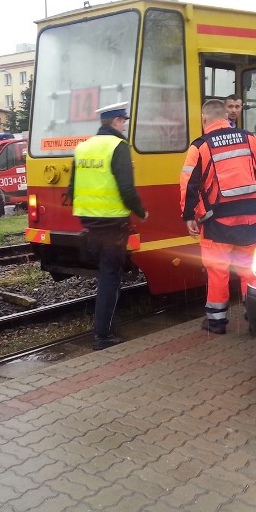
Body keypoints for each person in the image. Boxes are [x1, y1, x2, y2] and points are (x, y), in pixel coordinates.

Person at [181, 99, 256, 334]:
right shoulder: (250, 139)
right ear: (226, 116)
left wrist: (189, 215)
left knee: (218, 270)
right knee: (249, 269)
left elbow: (189, 183)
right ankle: (255, 320)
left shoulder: (200, 146)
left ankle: (216, 322)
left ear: (205, 119)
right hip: (251, 219)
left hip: (217, 222)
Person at [69, 101, 148, 351]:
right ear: (116, 122)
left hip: (90, 224)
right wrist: (141, 212)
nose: (124, 125)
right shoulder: (118, 146)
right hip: (113, 225)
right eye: (123, 121)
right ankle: (103, 336)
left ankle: (102, 330)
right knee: (110, 278)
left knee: (105, 275)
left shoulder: (83, 148)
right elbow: (126, 188)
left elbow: (71, 188)